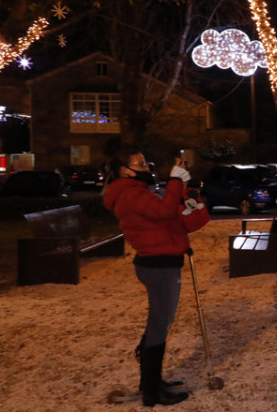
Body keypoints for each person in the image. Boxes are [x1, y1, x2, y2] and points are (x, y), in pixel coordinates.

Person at [103, 147, 193, 407]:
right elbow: (165, 211)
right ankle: (152, 391)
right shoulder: (130, 193)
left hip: (160, 261)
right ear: (124, 170)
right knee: (160, 325)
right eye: (141, 164)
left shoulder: (135, 192)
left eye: (147, 163)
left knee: (160, 322)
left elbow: (161, 218)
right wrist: (176, 179)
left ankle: (150, 381)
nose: (147, 168)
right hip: (159, 266)